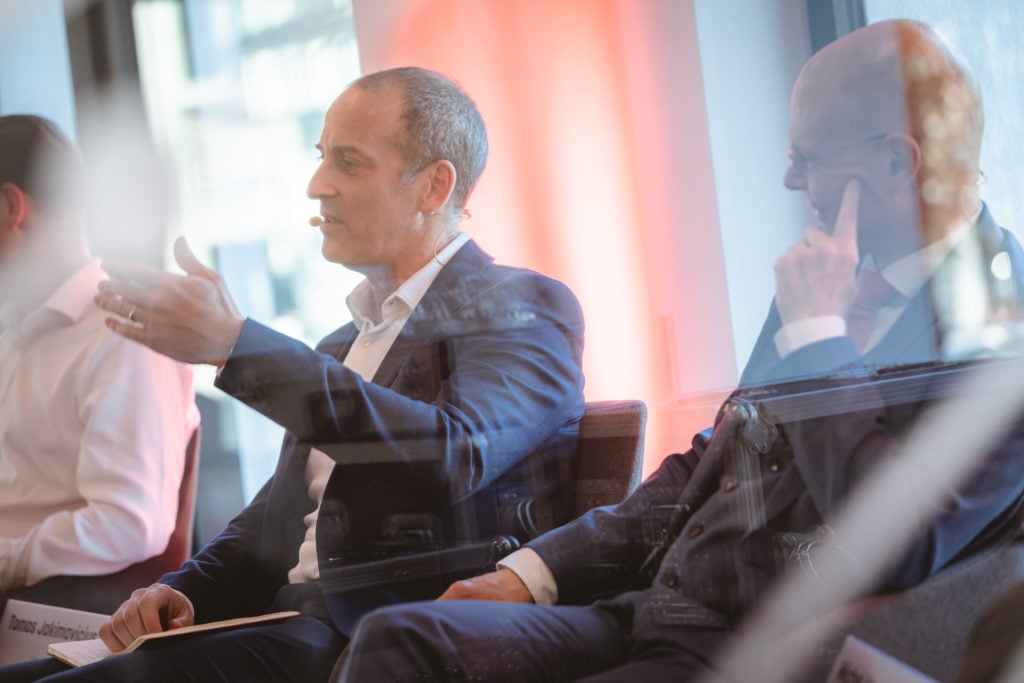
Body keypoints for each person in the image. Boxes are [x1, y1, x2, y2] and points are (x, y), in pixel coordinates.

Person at [336, 20, 1024, 682]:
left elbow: (899, 537)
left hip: (751, 650)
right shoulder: (829, 278)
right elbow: (713, 457)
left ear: (896, 161)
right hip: (652, 610)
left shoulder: (1002, 330)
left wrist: (819, 338)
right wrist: (531, 573)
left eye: (806, 161)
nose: (790, 184)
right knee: (402, 639)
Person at [0, 67, 585, 681]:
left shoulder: (522, 307)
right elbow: (272, 519)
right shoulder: (343, 343)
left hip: (376, 637)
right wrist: (182, 591)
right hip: (282, 625)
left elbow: (452, 453)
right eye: (320, 157)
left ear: (433, 187)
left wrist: (237, 347)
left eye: (349, 163)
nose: (316, 185)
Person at [0, 115, 198, 612]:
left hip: (52, 610)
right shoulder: (13, 329)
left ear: (9, 207)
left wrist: (7, 559)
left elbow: (129, 523)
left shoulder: (126, 330)